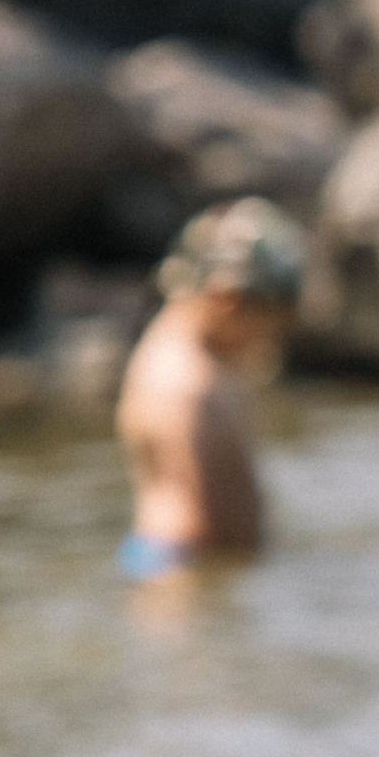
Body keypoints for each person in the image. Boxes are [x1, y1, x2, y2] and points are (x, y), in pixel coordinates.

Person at [113, 196, 310, 577]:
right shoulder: (185, 386)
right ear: (227, 301)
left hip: (180, 565)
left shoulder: (202, 360)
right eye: (274, 319)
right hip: (183, 572)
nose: (275, 338)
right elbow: (207, 524)